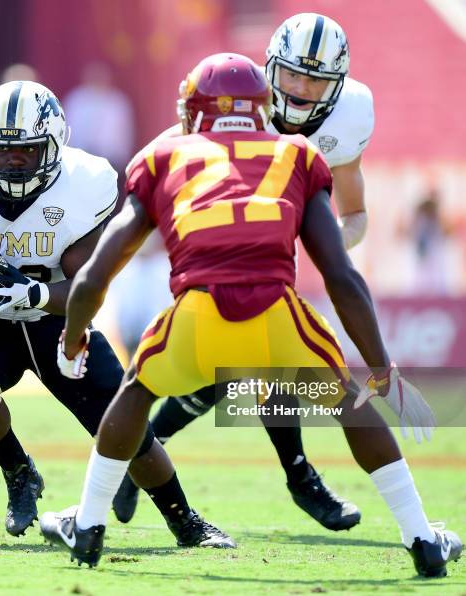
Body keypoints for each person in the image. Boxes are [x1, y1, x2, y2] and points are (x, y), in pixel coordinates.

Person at [46, 53, 462, 576]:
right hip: (277, 322)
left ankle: (87, 526)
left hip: (197, 319)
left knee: (136, 391)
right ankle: (422, 539)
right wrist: (382, 371)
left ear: (193, 112)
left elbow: (95, 275)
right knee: (353, 403)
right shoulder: (296, 154)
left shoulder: (164, 157)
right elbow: (341, 276)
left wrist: (73, 339)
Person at [0, 80, 233, 549]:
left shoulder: (81, 187)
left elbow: (86, 286)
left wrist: (32, 293)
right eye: (2, 152)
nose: (14, 162)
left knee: (124, 425)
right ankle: (19, 472)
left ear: (54, 147)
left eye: (28, 152)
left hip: (59, 323)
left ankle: (186, 521)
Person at [114, 12, 370, 532]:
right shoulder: (238, 103)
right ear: (270, 68)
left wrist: (322, 247)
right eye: (292, 74)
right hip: (217, 252)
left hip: (271, 256)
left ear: (338, 86)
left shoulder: (349, 118)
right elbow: (152, 169)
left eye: (316, 79)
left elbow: (356, 214)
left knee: (230, 374)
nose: (300, 90)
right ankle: (301, 480)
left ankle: (139, 458)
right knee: (232, 369)